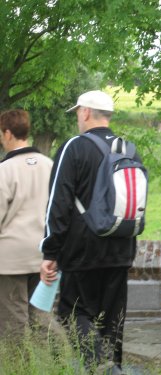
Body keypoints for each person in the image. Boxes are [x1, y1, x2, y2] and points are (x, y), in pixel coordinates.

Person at [39, 90, 141, 374]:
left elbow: (57, 205)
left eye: (77, 113)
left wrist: (50, 252)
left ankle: (103, 367)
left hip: (82, 250)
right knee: (112, 320)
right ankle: (113, 366)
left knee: (73, 314)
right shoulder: (129, 149)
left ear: (85, 112)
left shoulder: (74, 147)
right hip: (121, 248)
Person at [0, 109, 53, 340]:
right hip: (44, 254)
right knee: (41, 317)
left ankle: (17, 368)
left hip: (10, 260)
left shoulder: (4, 170)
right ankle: (61, 363)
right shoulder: (49, 165)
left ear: (9, 134)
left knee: (13, 321)